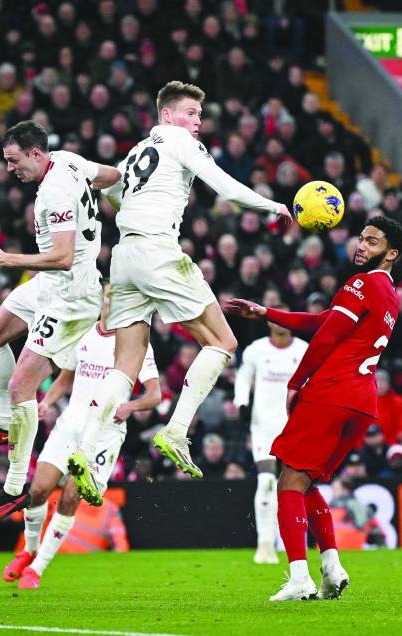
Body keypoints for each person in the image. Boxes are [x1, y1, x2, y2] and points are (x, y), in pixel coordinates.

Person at [67, 80, 292, 505]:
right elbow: (225, 188)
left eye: (200, 117)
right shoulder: (179, 141)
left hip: (123, 257)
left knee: (125, 366)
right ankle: (176, 430)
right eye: (191, 114)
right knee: (223, 341)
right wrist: (274, 206)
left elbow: (112, 192)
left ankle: (84, 446)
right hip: (157, 250)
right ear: (167, 115)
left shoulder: (135, 152)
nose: (197, 124)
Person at [224, 216, 402, 601]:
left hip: (330, 394)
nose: (361, 245)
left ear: (391, 254)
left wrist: (296, 382)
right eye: (360, 238)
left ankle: (298, 577)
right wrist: (268, 314)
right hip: (360, 404)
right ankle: (331, 567)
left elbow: (325, 337)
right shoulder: (389, 295)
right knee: (305, 482)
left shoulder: (360, 283)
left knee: (287, 481)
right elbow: (323, 321)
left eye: (372, 242)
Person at [0, 121, 121, 525]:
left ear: (35, 154)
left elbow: (64, 256)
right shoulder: (68, 160)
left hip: (71, 297)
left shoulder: (53, 192)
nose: (10, 169)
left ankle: (13, 489)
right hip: (49, 285)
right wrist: (120, 199)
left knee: (21, 386)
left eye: (14, 161)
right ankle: (1, 422)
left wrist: (7, 259)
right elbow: (112, 175)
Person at [2, 282, 161, 589]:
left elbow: (155, 394)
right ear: (102, 299)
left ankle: (37, 568)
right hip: (71, 423)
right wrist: (46, 402)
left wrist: (130, 406)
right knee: (37, 491)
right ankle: (28, 551)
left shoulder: (136, 344)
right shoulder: (84, 333)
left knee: (72, 497)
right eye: (109, 297)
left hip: (104, 434)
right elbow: (65, 378)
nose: (113, 304)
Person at [232, 304, 308, 564]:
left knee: (293, 485)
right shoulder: (256, 350)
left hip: (294, 426)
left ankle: (291, 543)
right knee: (265, 481)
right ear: (269, 323)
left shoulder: (303, 350)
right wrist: (241, 402)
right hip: (263, 425)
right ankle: (264, 545)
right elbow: (243, 377)